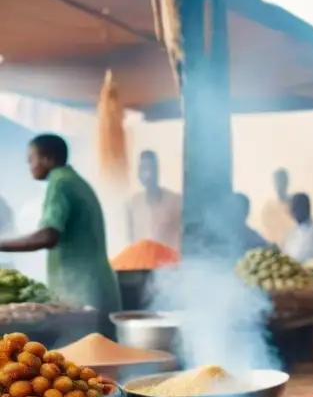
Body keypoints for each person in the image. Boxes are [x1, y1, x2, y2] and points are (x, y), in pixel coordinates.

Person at [0, 134, 120, 321]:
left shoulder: (60, 183)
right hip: (93, 288)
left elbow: (48, 236)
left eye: (32, 159)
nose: (29, 165)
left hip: (83, 293)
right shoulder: (72, 180)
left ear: (48, 158)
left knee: (85, 347)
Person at [125, 150, 182, 251]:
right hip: (141, 262)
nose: (148, 174)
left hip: (168, 263)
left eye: (151, 168)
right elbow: (130, 241)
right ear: (139, 173)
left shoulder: (174, 202)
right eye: (144, 169)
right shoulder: (133, 205)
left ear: (157, 171)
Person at [255, 168, 294, 248]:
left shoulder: (295, 205)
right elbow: (266, 232)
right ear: (273, 183)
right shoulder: (268, 207)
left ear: (287, 182)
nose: (280, 185)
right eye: (277, 181)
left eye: (282, 181)